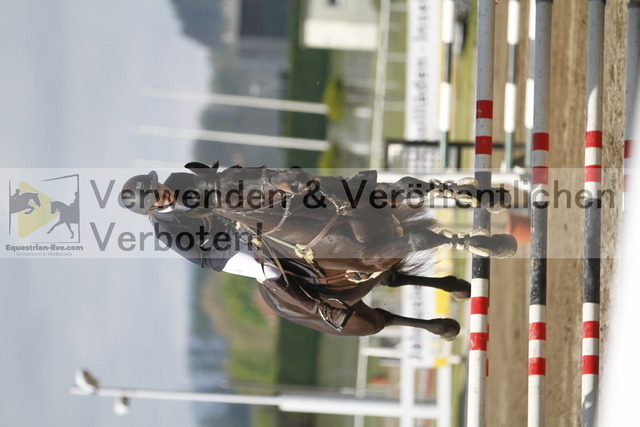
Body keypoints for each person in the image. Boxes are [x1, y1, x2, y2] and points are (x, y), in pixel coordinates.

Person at [119, 168, 351, 330]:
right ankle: (320, 309)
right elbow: (201, 256)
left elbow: (216, 191)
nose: (163, 191)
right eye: (156, 197)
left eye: (157, 186)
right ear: (151, 209)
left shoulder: (178, 179)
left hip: (235, 218)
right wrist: (234, 235)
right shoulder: (165, 229)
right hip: (221, 250)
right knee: (268, 271)